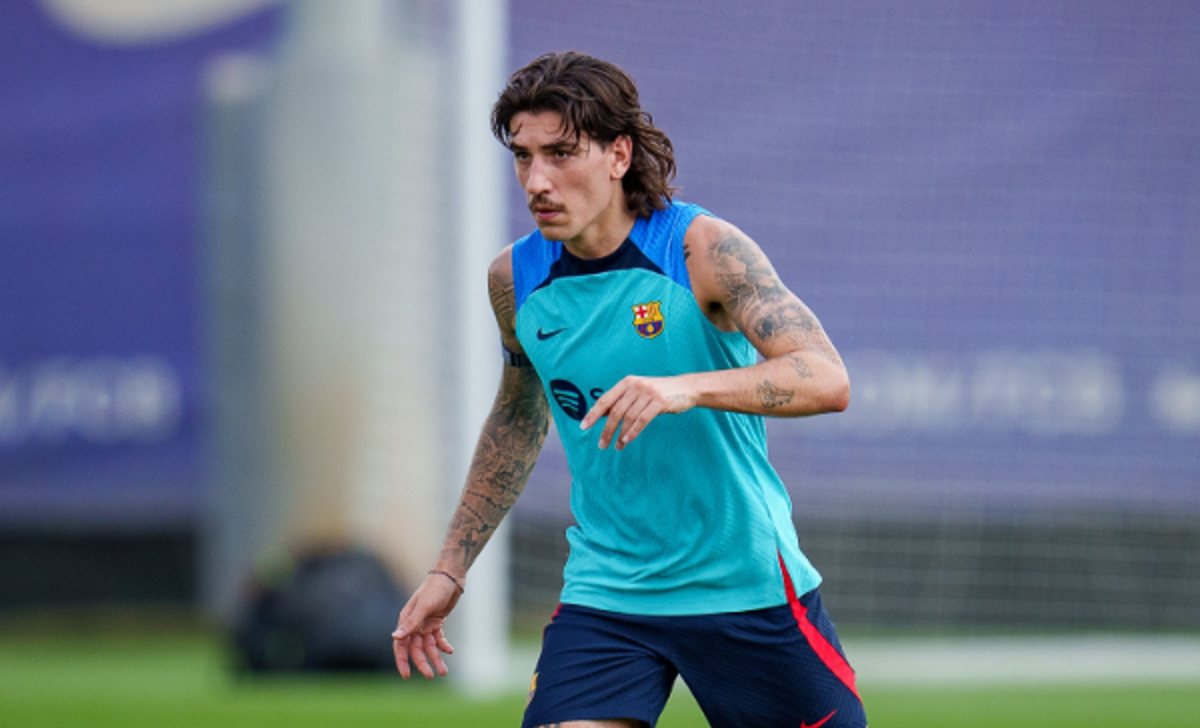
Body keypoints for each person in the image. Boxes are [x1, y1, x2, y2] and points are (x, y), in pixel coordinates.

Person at [393, 50, 867, 728]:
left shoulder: (702, 250)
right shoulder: (514, 280)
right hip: (609, 594)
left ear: (619, 154)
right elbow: (517, 418)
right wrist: (450, 568)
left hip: (744, 585)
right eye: (523, 157)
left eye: (561, 153)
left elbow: (826, 377)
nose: (537, 180)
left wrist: (685, 389)